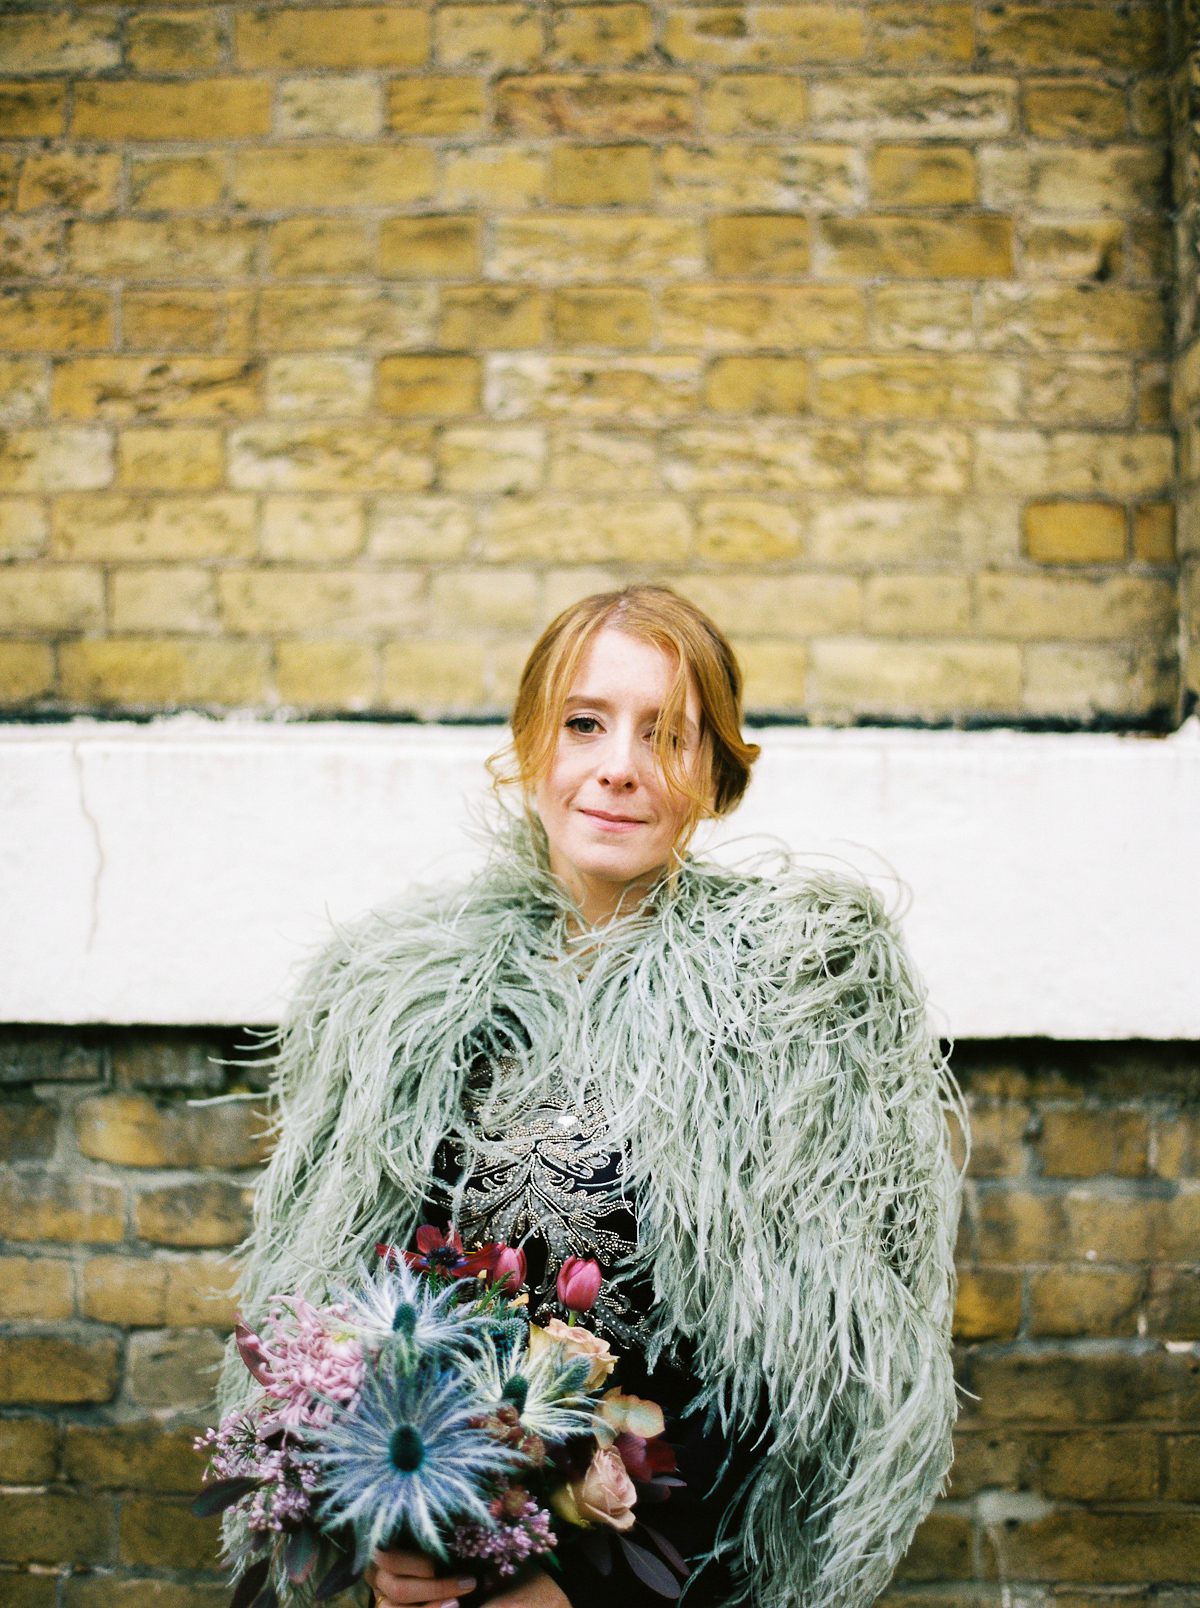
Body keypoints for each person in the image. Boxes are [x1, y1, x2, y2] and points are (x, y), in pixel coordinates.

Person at [229, 585, 961, 1608]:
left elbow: (803, 1370)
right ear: (533, 747)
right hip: (400, 1542)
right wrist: (388, 1535)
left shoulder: (800, 996)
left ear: (713, 775)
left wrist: (545, 1574)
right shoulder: (393, 993)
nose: (619, 764)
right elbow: (333, 1312)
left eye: (668, 735)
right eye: (586, 724)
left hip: (652, 1553)